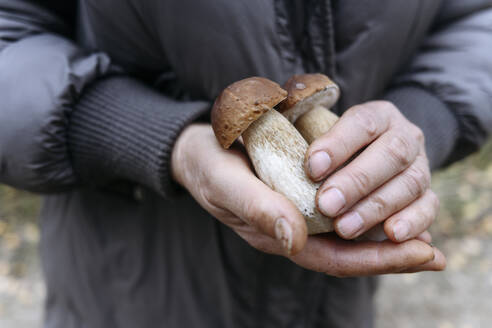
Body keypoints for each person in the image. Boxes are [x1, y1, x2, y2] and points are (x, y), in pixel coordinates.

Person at [0, 0, 491, 327]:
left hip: (337, 305)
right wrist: (154, 137)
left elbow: (477, 21)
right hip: (131, 288)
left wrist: (427, 115)